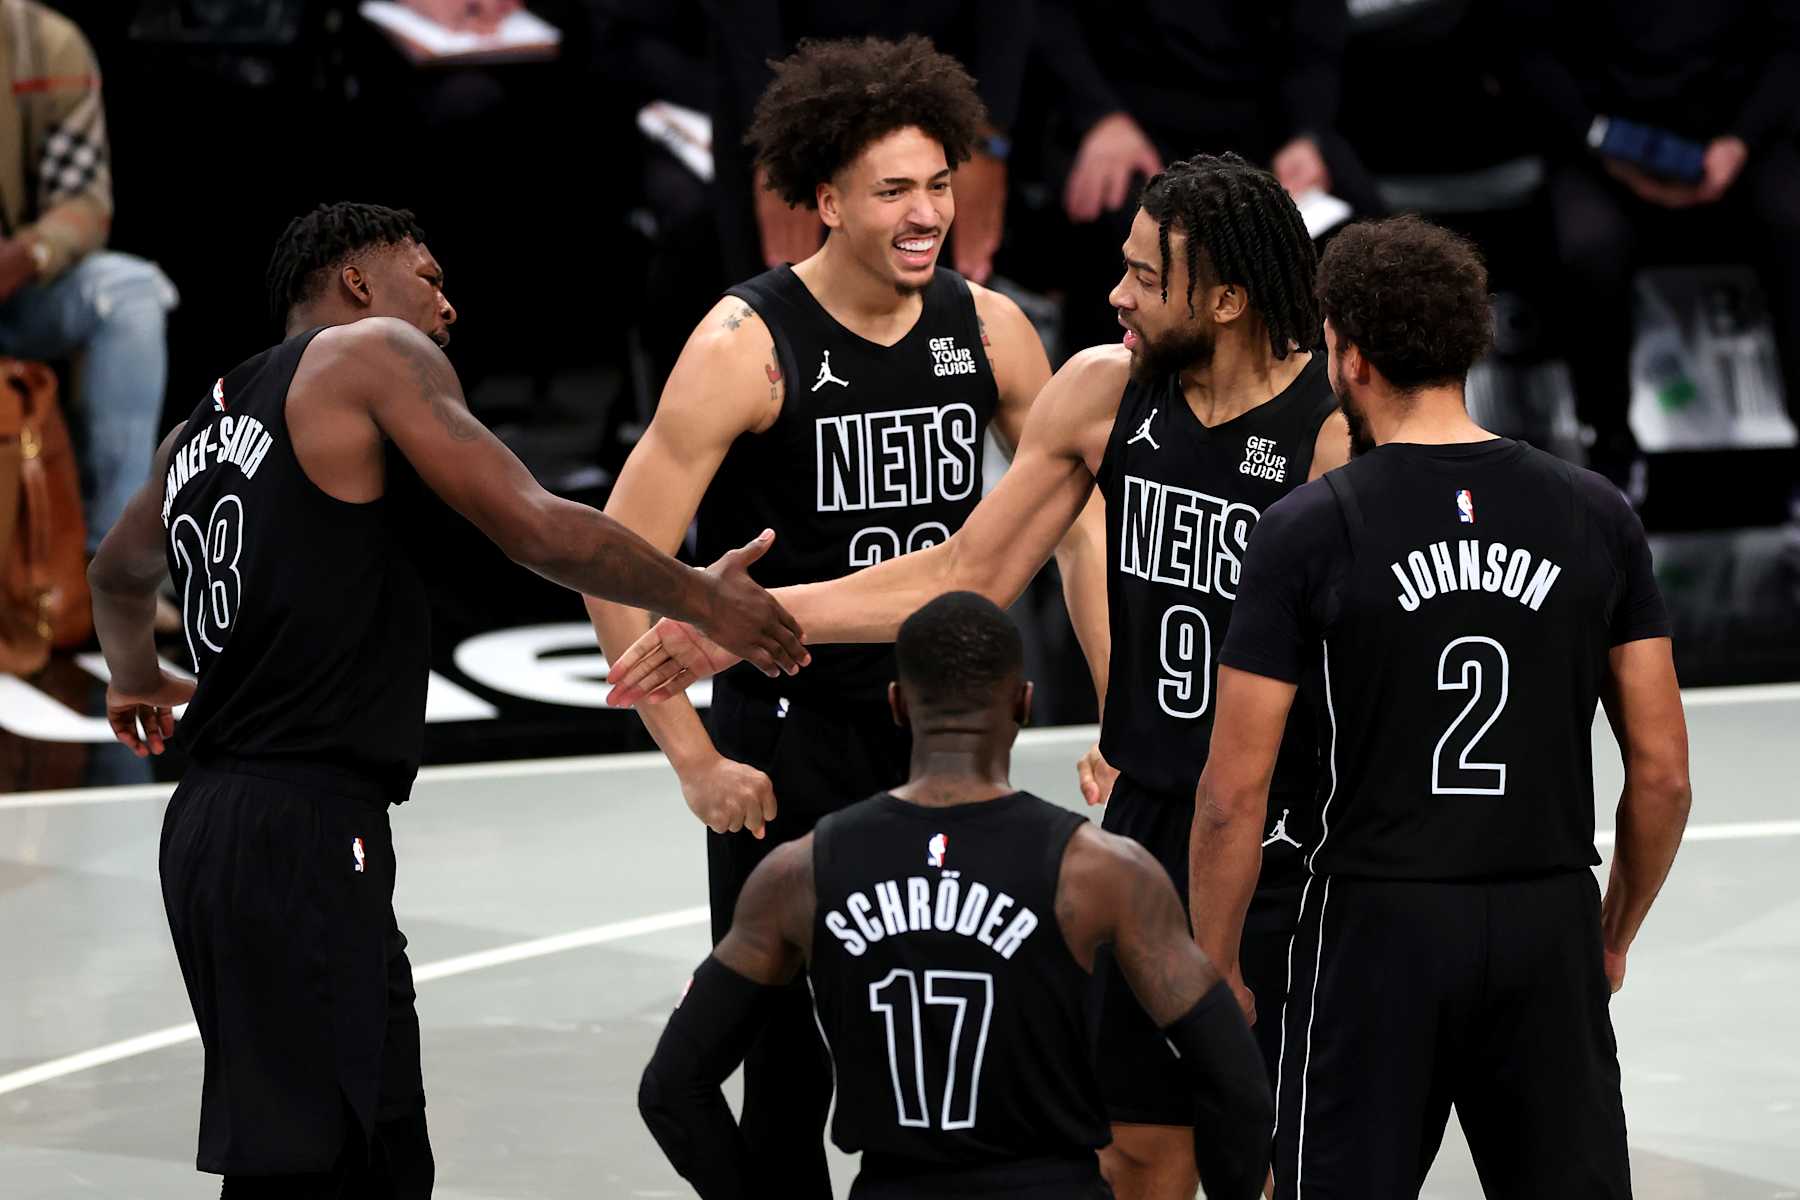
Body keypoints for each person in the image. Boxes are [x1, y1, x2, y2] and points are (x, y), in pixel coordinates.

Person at [608, 153, 1350, 1200]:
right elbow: (966, 571)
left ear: (1227, 300)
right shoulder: (1103, 391)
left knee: (1269, 1156)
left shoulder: (1330, 435)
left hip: (1286, 841)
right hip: (1149, 819)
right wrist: (745, 619)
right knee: (1135, 1149)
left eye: (1145, 277)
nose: (1114, 294)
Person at [84, 202, 804, 1197]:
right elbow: (536, 527)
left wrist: (131, 675)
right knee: (318, 1173)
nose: (447, 306)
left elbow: (117, 574)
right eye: (427, 275)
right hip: (297, 827)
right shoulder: (369, 353)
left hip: (218, 828)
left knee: (375, 1159)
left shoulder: (199, 428)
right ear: (355, 281)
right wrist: (698, 595)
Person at [584, 35, 1109, 1200]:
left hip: (946, 737)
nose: (928, 212)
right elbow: (616, 562)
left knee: (962, 1022)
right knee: (783, 1067)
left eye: (940, 183)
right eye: (894, 192)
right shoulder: (746, 346)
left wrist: (1116, 714)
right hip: (791, 740)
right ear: (825, 201)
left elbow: (1078, 524)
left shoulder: (992, 328)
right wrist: (694, 760)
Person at [1188, 215, 1692, 1198]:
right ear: (1470, 342)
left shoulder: (1307, 529)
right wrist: (1611, 932)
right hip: (1546, 913)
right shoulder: (1597, 514)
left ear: (1348, 351)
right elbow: (1664, 776)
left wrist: (1218, 963)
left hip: (1376, 923)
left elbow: (1229, 796)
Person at [639, 592, 1273, 1200]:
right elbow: (1235, 1080)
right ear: (1023, 704)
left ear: (897, 704)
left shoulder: (800, 873)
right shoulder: (1101, 873)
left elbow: (672, 1089)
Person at [1510, 0, 1800, 502]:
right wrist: (1606, 146)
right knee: (1588, 245)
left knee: (1793, 220)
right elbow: (1524, 50)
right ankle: (1610, 447)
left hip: (1735, 135)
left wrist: (1740, 141)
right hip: (1601, 140)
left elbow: (1788, 45)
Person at [1034, 0, 1384, 353]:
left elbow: (1316, 40)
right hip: (1128, 114)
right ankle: (1130, 389)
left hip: (1265, 123)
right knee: (1133, 228)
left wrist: (1306, 135)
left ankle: (1327, 391)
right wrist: (1099, 115)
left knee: (1364, 240)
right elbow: (1048, 18)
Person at [0, 0, 177, 553]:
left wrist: (30, 253)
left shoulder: (44, 43)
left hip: (13, 292)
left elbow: (82, 200)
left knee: (131, 291)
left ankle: (113, 566)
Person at [703, 6, 1030, 284]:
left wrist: (989, 136)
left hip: (951, 99)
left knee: (945, 320)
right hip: (781, 98)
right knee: (786, 323)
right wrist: (776, 143)